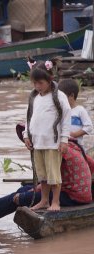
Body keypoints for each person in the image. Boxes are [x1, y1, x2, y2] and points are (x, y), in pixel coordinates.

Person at [23, 59, 71, 211]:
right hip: (37, 143)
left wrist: (64, 140)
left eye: (40, 83)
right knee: (42, 176)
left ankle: (55, 202)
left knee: (53, 175)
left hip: (52, 143)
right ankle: (44, 200)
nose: (37, 86)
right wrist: (26, 135)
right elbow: (29, 118)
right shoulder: (35, 98)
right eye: (35, 83)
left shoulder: (59, 96)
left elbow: (66, 119)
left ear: (50, 80)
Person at [58, 78, 93, 146]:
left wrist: (75, 134)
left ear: (72, 96)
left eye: (63, 97)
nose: (60, 100)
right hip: (62, 145)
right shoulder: (60, 110)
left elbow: (89, 127)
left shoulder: (80, 110)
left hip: (77, 146)